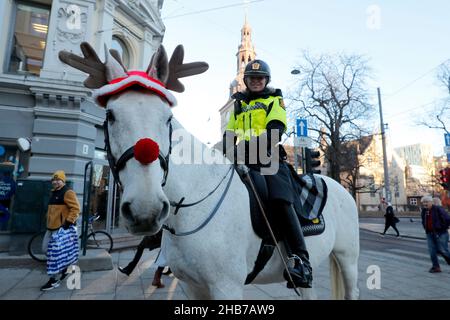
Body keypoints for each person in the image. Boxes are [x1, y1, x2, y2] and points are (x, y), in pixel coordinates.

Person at [222, 59, 312, 288]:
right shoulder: (239, 105)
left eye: (260, 78)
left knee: (280, 199)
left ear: (266, 80)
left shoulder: (274, 99)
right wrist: (220, 154)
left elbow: (275, 131)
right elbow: (229, 134)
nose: (256, 81)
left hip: (269, 158)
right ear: (246, 81)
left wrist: (245, 149)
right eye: (252, 78)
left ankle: (301, 260)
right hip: (242, 161)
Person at [40, 170, 80, 291]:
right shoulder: (54, 192)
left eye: (58, 180)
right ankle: (64, 268)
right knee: (44, 249)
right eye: (54, 180)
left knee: (53, 256)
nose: (56, 182)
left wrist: (67, 223)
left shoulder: (68, 192)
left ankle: (54, 280)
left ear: (63, 181)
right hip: (50, 228)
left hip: (60, 230)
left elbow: (76, 209)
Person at [420, 195, 450, 273]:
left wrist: (441, 228)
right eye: (423, 202)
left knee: (443, 250)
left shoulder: (438, 209)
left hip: (441, 233)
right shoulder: (424, 211)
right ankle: (436, 267)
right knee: (432, 251)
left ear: (431, 202)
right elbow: (424, 221)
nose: (425, 204)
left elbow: (447, 219)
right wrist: (426, 228)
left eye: (426, 202)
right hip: (429, 233)